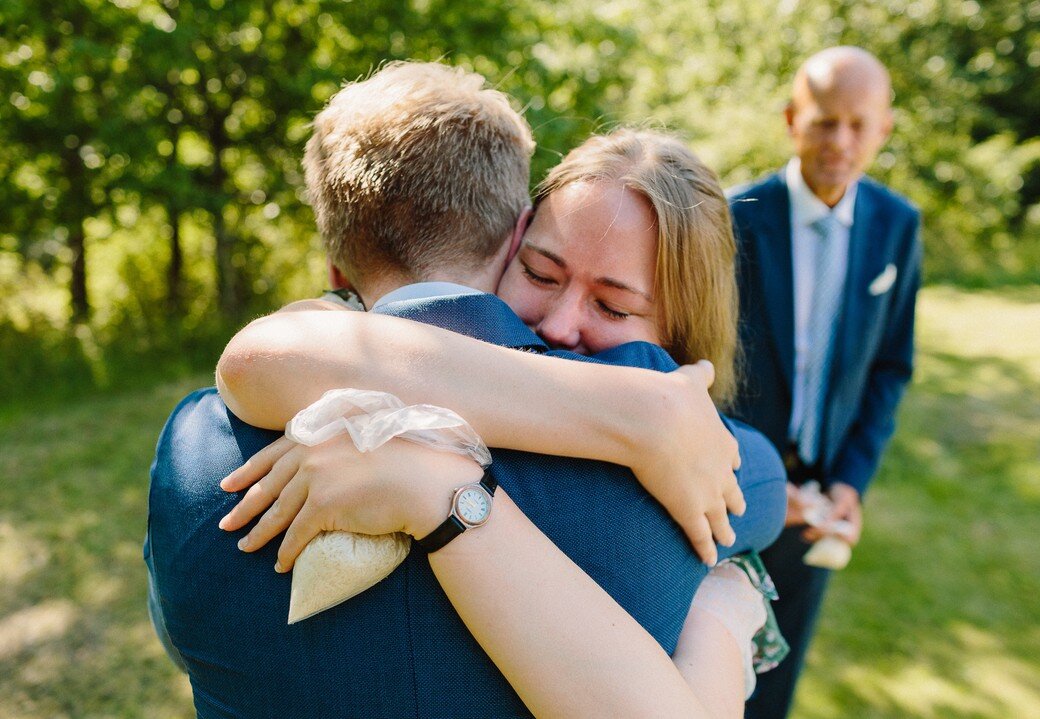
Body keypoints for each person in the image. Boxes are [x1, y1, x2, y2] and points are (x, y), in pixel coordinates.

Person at [145, 62, 786, 718]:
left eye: (615, 307)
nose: (561, 324)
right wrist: (726, 609)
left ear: (335, 264)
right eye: (542, 272)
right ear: (516, 238)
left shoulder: (196, 448)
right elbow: (763, 490)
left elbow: (182, 637)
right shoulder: (674, 456)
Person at [729, 47, 922, 719]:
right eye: (824, 122)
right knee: (709, 663)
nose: (840, 142)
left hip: (821, 499)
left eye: (858, 125)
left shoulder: (898, 226)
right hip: (734, 486)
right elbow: (701, 366)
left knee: (777, 682)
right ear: (792, 120)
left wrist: (850, 481)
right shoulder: (735, 218)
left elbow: (891, 366)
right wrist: (755, 480)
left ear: (884, 129)